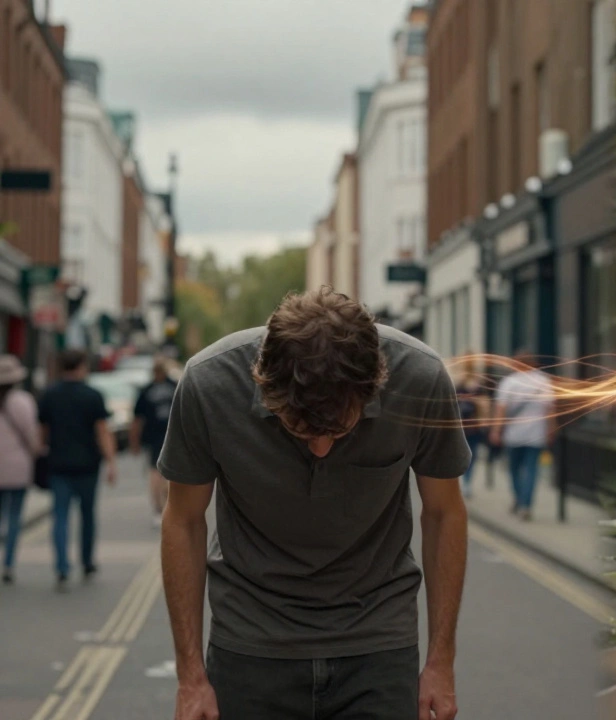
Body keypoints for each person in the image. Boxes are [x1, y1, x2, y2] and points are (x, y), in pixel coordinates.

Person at [159, 288, 471, 720]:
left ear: (374, 385)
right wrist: (190, 676)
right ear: (264, 384)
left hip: (378, 643)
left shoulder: (420, 378)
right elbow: (183, 521)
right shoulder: (208, 385)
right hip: (251, 644)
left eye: (340, 429)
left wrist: (441, 662)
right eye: (299, 428)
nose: (321, 448)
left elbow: (443, 513)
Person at [38, 349, 117, 590]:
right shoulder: (92, 395)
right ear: (82, 366)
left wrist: (41, 452)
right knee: (87, 515)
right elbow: (102, 431)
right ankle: (87, 561)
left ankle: (62, 566)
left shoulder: (49, 394)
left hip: (58, 465)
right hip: (87, 466)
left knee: (60, 516)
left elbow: (42, 432)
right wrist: (111, 462)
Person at [489, 350, 555, 521]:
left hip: (513, 435)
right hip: (537, 434)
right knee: (532, 469)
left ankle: (519, 499)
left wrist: (496, 431)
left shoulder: (509, 382)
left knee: (513, 469)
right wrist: (551, 430)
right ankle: (526, 505)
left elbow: (501, 409)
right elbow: (550, 409)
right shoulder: (543, 381)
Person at [0, 354, 40, 584]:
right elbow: (31, 436)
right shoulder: (23, 401)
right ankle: (8, 563)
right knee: (14, 516)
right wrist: (36, 454)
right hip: (17, 468)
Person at [130, 357, 178, 527]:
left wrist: (134, 442)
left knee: (155, 474)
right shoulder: (175, 387)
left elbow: (137, 420)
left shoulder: (146, 391)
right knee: (170, 476)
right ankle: (168, 507)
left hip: (154, 438)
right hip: (173, 436)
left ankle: (159, 510)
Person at [452, 351, 489, 499]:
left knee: (468, 454)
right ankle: (465, 481)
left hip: (468, 425)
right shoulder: (469, 384)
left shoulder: (464, 384)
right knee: (469, 454)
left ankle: (465, 481)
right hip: (469, 425)